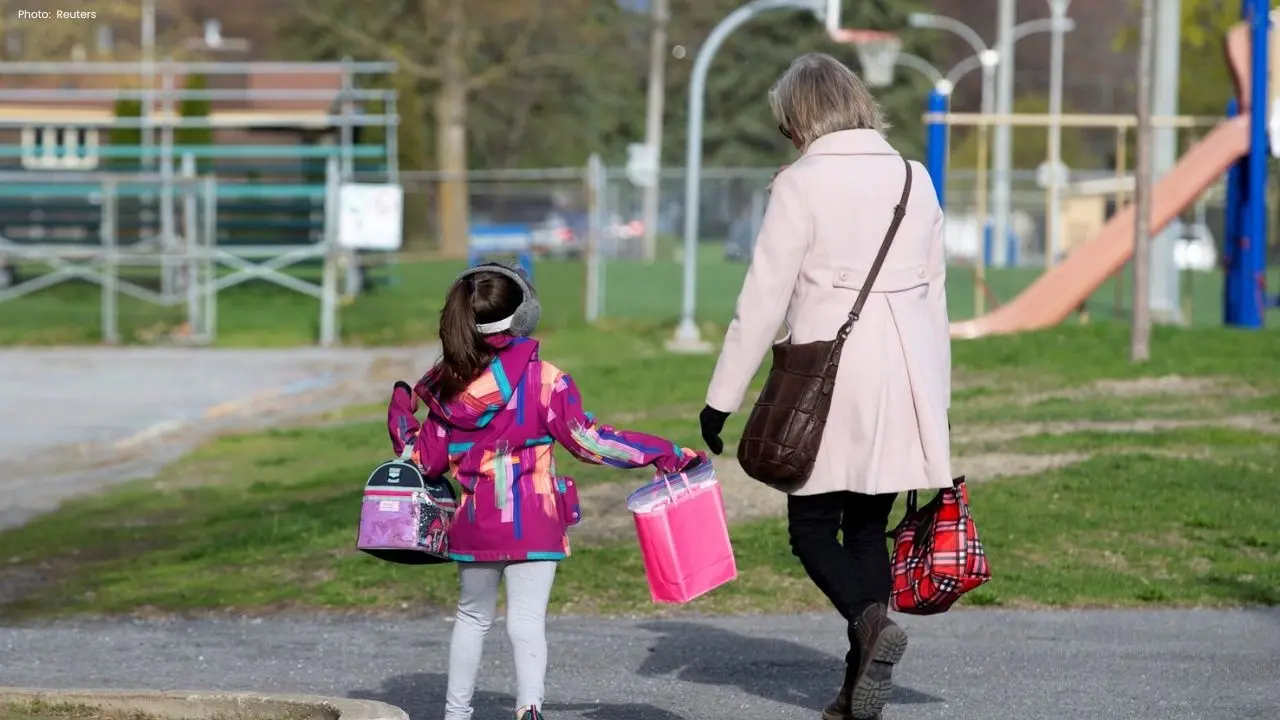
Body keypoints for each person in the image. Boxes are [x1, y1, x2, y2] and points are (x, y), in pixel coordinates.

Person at [697, 53, 953, 720]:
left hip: (826, 378)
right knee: (868, 531)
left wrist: (721, 398)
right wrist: (938, 401)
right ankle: (853, 690)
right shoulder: (914, 177)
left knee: (811, 529)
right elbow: (935, 298)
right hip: (907, 374)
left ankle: (871, 623)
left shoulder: (799, 184)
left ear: (797, 116)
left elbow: (763, 300)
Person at [387, 262, 704, 720]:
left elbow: (425, 460)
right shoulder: (545, 380)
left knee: (472, 618)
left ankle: (456, 714)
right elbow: (589, 442)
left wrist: (400, 408)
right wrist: (663, 452)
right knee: (527, 622)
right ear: (522, 317)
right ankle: (529, 708)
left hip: (476, 527)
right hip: (534, 521)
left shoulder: (446, 386)